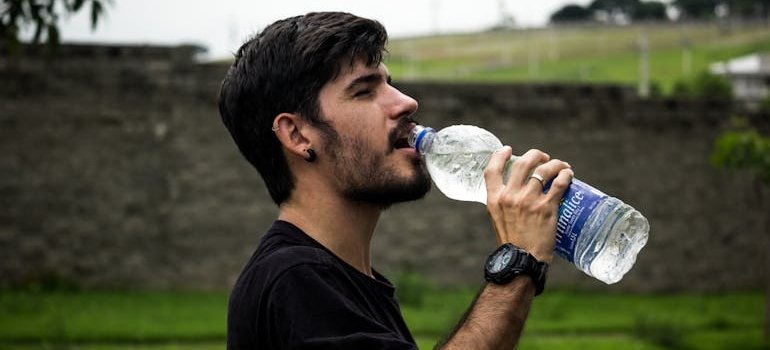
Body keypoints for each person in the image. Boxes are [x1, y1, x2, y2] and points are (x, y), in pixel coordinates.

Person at [218, 11, 573, 349]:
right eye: (364, 91)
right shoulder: (294, 280)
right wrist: (518, 263)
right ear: (297, 134)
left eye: (389, 83)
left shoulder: (346, 280)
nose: (406, 102)